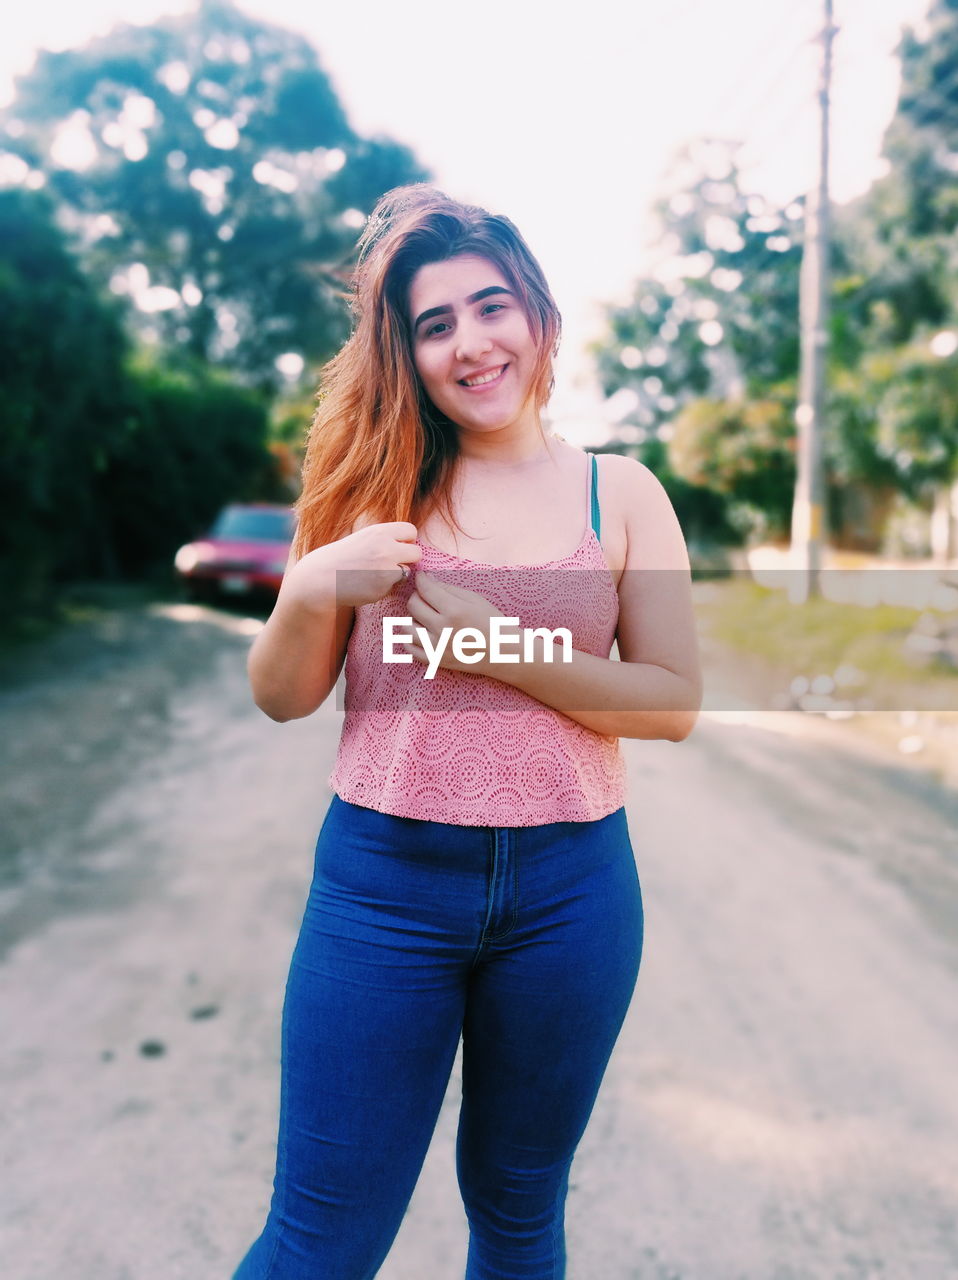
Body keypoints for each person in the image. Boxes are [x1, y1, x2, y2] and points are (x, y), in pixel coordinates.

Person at [233, 185, 702, 1280]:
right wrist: (309, 590)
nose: (471, 343)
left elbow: (672, 698)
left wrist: (502, 650)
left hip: (571, 892)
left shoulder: (620, 495)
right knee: (321, 1236)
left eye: (490, 307)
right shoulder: (364, 486)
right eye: (434, 324)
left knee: (519, 1213)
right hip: (383, 887)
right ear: (408, 352)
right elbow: (282, 694)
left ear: (537, 315)